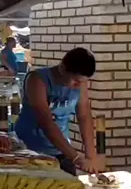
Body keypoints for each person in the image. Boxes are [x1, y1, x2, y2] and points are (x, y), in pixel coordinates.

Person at [15, 48, 103, 176]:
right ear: (62, 68)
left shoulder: (80, 84)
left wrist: (90, 155)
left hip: (61, 150)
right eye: (76, 81)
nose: (78, 86)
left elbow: (84, 116)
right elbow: (46, 122)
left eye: (83, 82)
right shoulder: (37, 80)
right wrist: (76, 158)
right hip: (31, 151)